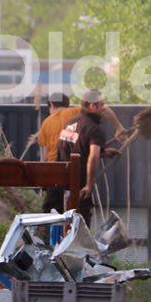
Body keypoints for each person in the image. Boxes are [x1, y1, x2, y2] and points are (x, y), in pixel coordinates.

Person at [54, 90, 109, 220]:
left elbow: (70, 149)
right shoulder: (94, 129)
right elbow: (93, 156)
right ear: (93, 106)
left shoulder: (70, 124)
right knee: (80, 225)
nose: (104, 109)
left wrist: (104, 152)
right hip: (79, 188)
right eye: (102, 105)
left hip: (61, 185)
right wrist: (89, 185)